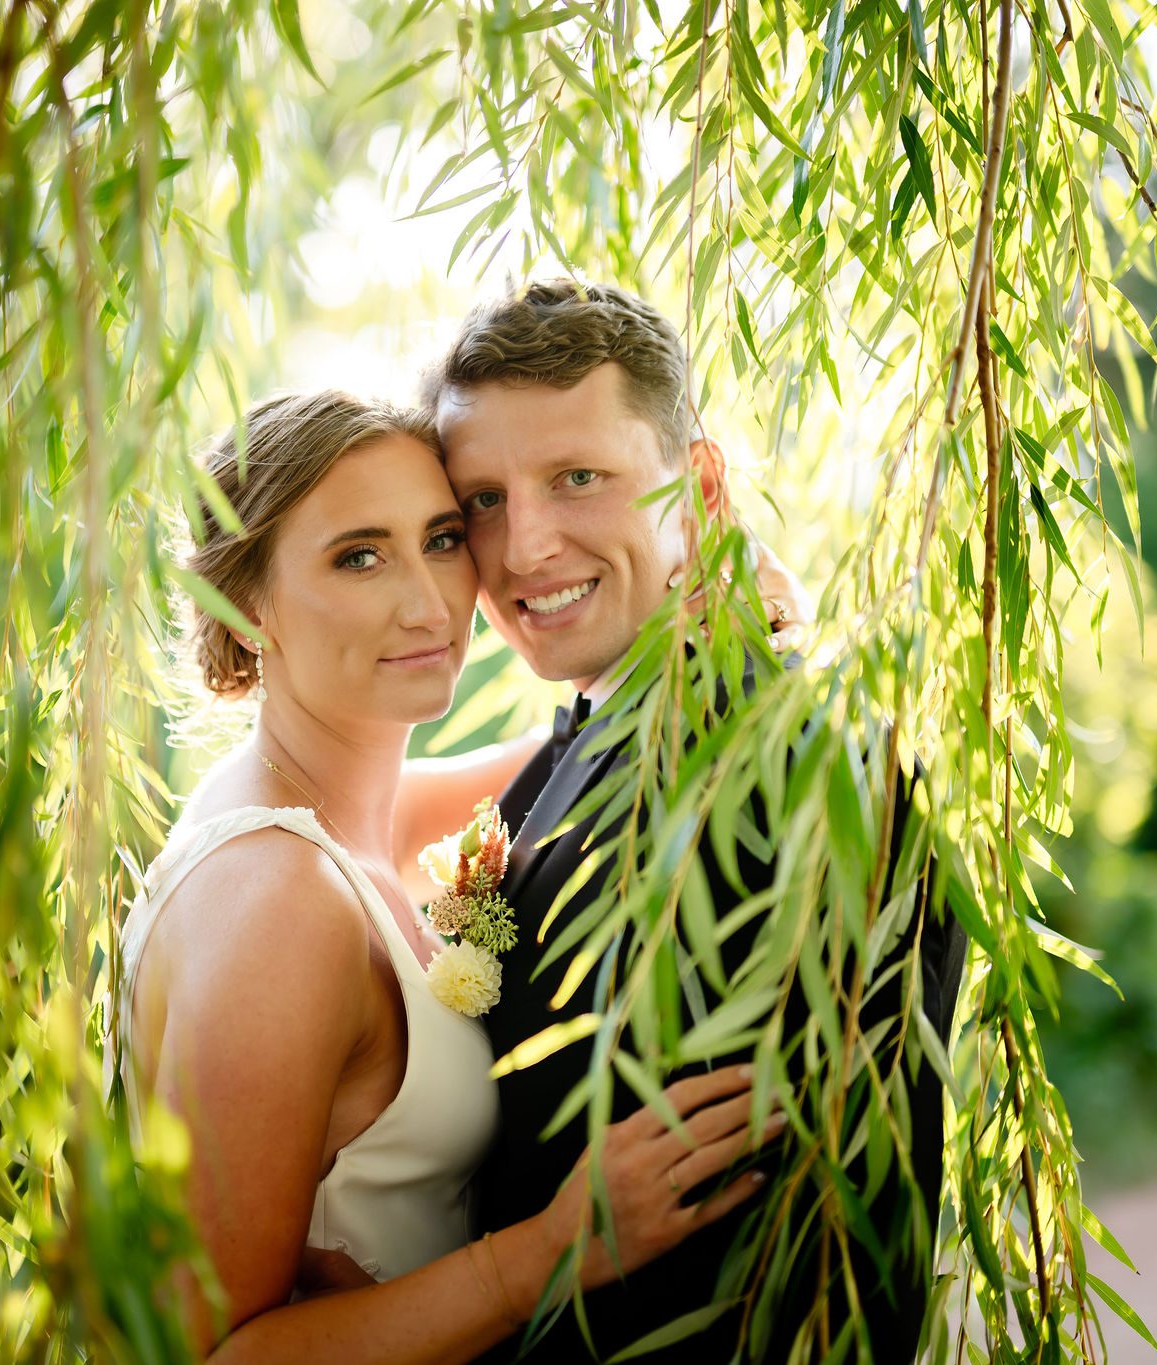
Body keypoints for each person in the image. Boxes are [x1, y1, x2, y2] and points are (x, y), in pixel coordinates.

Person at [114, 390, 789, 1363]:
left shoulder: (333, 808)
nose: (429, 601)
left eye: (439, 538)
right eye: (358, 555)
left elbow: (565, 753)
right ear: (246, 605)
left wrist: (693, 615)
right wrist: (552, 1253)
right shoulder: (277, 902)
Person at [415, 279, 969, 1362]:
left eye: (578, 478)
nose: (523, 547)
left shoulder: (796, 776)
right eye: (482, 499)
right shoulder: (581, 745)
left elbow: (771, 1253)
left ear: (697, 487)